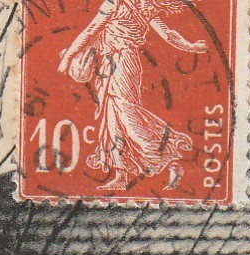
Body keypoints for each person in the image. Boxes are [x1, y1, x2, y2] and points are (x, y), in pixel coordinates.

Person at [56, 0, 209, 192]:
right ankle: (122, 172)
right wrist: (190, 46)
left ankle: (158, 149)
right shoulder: (132, 6)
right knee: (113, 118)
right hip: (111, 63)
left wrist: (68, 58)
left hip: (123, 63)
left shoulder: (131, 6)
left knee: (124, 113)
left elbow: (91, 31)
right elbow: (92, 30)